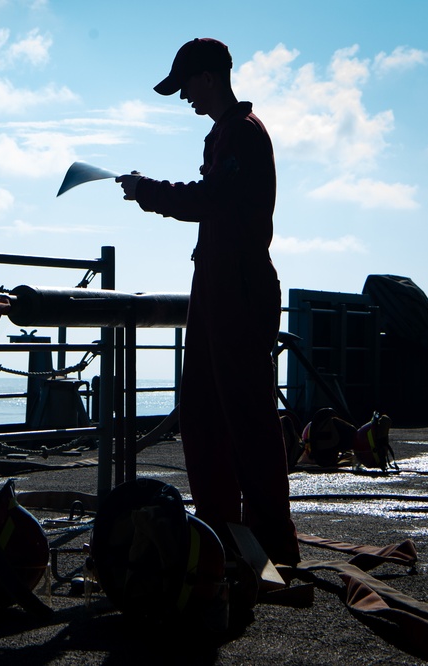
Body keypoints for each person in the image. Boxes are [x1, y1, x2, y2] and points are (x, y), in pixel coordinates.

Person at [116, 38, 299, 565]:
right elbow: (214, 200)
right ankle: (221, 532)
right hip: (219, 285)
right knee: (203, 411)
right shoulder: (224, 135)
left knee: (246, 417)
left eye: (185, 86)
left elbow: (210, 199)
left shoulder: (240, 135)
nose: (182, 98)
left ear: (209, 78)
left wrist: (147, 191)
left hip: (238, 288)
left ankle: (272, 541)